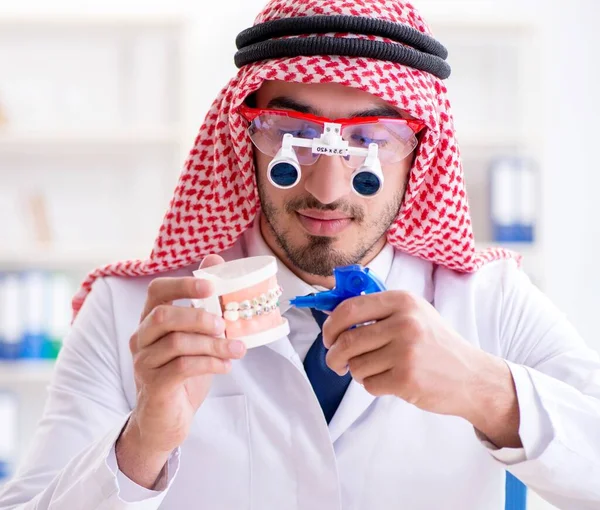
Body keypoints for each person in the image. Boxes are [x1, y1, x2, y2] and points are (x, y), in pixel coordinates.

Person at [1, 0, 600, 509]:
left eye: (370, 143)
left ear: (420, 151)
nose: (328, 189)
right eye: (293, 138)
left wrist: (487, 391)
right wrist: (142, 446)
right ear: (248, 140)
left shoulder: (489, 300)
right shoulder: (128, 313)